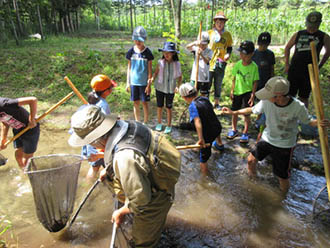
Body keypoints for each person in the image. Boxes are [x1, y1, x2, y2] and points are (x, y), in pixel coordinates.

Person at [68, 105, 181, 247]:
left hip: (155, 197)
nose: (91, 145)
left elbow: (142, 200)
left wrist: (122, 211)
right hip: (153, 175)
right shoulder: (127, 125)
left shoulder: (125, 158)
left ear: (97, 138)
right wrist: (108, 170)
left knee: (142, 242)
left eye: (90, 142)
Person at [222, 76, 330, 193]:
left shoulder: (297, 106)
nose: (266, 96)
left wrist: (319, 123)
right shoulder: (266, 101)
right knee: (251, 160)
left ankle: (282, 197)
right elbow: (252, 110)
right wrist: (234, 112)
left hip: (285, 144)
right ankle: (253, 181)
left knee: (282, 176)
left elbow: (308, 121)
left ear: (278, 95)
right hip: (267, 138)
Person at [284, 11, 330, 108]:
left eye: (313, 26)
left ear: (318, 24)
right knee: (289, 94)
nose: (311, 28)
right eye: (309, 26)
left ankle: (303, 117)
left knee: (304, 96)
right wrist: (287, 64)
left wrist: (319, 65)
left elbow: (328, 51)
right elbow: (287, 47)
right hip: (295, 69)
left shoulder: (324, 36)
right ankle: (289, 114)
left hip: (309, 71)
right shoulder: (299, 34)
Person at [179, 83, 224, 176]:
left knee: (203, 158)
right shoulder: (204, 99)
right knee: (214, 128)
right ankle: (220, 144)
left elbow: (197, 122)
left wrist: (201, 139)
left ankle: (205, 178)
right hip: (217, 127)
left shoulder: (192, 106)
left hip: (208, 134)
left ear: (184, 97)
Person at [83, 74, 117, 179]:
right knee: (96, 168)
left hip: (89, 137)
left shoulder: (93, 98)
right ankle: (90, 187)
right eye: (110, 87)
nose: (111, 89)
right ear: (106, 91)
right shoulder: (103, 104)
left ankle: (90, 185)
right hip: (98, 140)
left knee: (95, 166)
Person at [227, 40, 259, 143]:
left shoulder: (254, 67)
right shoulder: (238, 65)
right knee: (234, 111)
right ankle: (234, 129)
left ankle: (245, 132)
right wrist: (232, 90)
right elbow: (234, 78)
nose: (242, 56)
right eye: (240, 53)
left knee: (246, 113)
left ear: (251, 54)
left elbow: (255, 81)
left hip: (247, 92)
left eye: (245, 54)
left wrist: (253, 94)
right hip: (237, 91)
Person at [151, 42, 182, 134]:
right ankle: (159, 123)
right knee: (159, 106)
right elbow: (156, 72)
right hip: (160, 87)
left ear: (173, 53)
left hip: (170, 88)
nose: (166, 55)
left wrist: (178, 86)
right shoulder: (160, 62)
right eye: (164, 52)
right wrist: (152, 78)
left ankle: (169, 125)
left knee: (169, 107)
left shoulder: (177, 64)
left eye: (168, 53)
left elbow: (179, 77)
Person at [0, 96, 40, 168]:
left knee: (27, 159)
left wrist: (31, 119)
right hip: (17, 129)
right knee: (18, 156)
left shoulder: (3, 104)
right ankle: (24, 172)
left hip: (30, 129)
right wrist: (3, 138)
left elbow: (33, 100)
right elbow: (4, 122)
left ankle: (33, 173)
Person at [126, 26, 154, 123]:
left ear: (144, 40)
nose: (138, 42)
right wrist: (127, 82)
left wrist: (149, 84)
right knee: (135, 103)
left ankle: (145, 122)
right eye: (136, 40)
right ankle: (137, 122)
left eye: (140, 40)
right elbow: (129, 68)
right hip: (134, 82)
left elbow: (150, 70)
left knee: (145, 103)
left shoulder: (147, 52)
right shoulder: (131, 52)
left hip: (144, 83)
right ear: (133, 39)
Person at [252, 32, 275, 141]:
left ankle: (260, 121)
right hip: (255, 82)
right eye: (261, 44)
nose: (263, 47)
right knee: (255, 102)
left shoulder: (270, 54)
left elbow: (271, 69)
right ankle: (257, 120)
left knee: (264, 102)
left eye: (265, 45)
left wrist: (272, 80)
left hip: (266, 82)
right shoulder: (254, 54)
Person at [207, 11, 233, 110]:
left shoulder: (227, 35)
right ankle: (207, 102)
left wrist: (228, 54)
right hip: (209, 62)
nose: (220, 24)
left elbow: (229, 47)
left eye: (222, 22)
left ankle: (216, 103)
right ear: (215, 22)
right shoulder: (209, 33)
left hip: (221, 62)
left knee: (218, 83)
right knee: (208, 83)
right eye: (218, 22)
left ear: (224, 23)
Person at [186, 31, 213, 97]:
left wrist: (201, 54)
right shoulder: (196, 48)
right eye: (201, 44)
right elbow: (187, 47)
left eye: (204, 45)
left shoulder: (209, 51)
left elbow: (207, 61)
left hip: (204, 77)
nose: (202, 46)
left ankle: (203, 106)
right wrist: (194, 43)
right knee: (192, 94)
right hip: (195, 76)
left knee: (203, 94)